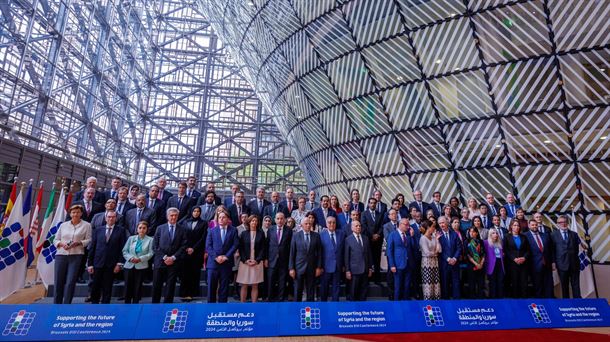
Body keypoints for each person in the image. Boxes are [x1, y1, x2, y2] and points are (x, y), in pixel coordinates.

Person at [53, 205, 92, 304]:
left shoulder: (87, 225)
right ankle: (56, 304)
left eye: (78, 212)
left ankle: (67, 304)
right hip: (61, 255)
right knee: (58, 281)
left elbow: (89, 239)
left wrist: (78, 243)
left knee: (71, 282)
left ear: (81, 214)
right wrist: (61, 244)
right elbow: (55, 239)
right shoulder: (63, 225)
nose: (75, 214)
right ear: (70, 214)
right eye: (73, 212)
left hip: (76, 255)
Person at [87, 210, 126, 304]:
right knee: (95, 286)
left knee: (107, 287)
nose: (111, 219)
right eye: (109, 217)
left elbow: (122, 248)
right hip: (97, 263)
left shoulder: (121, 230)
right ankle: (94, 305)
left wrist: (119, 264)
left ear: (116, 219)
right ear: (105, 218)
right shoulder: (98, 230)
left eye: (113, 217)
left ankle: (105, 306)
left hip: (111, 264)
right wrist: (90, 264)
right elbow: (92, 248)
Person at [152, 208, 187, 303]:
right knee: (157, 285)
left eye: (176, 215)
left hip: (174, 262)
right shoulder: (160, 228)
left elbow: (183, 246)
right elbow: (155, 246)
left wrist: (173, 257)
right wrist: (165, 257)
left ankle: (167, 306)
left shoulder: (182, 229)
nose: (174, 217)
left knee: (170, 286)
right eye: (171, 215)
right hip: (160, 261)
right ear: (167, 216)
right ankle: (154, 306)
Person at [206, 211, 239, 303]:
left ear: (228, 219)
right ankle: (210, 308)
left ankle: (222, 308)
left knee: (224, 288)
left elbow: (235, 244)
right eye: (219, 217)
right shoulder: (212, 230)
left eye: (223, 217)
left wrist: (226, 256)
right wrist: (216, 257)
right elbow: (208, 246)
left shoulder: (233, 230)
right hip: (213, 263)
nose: (221, 219)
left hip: (226, 263)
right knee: (211, 287)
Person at [551, 215, 586, 298]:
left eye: (565, 222)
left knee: (576, 285)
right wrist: (554, 263)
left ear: (567, 223)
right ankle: (567, 304)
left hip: (574, 263)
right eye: (560, 222)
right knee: (564, 286)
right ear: (557, 224)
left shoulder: (574, 234)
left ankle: (578, 303)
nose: (563, 224)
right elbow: (552, 250)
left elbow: (578, 249)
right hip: (561, 264)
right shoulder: (553, 235)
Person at [178, 206, 207, 301]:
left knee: (194, 274)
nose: (196, 213)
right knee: (184, 273)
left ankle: (191, 293)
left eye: (198, 211)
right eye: (194, 211)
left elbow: (203, 238)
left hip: (196, 252)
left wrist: (193, 248)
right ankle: (183, 293)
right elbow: (182, 236)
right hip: (185, 252)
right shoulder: (185, 222)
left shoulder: (203, 223)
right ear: (191, 212)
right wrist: (187, 248)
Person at [289, 219, 322, 301]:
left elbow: (319, 253)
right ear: (301, 225)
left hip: (312, 267)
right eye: (306, 224)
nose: (308, 225)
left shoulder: (316, 236)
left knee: (311, 290)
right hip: (299, 267)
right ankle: (297, 309)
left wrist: (318, 267)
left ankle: (310, 309)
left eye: (309, 223)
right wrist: (291, 268)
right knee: (298, 290)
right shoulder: (296, 235)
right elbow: (292, 252)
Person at [236, 215, 266, 303]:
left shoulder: (261, 233)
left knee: (255, 284)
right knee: (244, 284)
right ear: (249, 222)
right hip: (245, 262)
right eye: (252, 221)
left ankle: (254, 305)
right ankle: (242, 304)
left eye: (256, 221)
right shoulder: (244, 233)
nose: (254, 222)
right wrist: (245, 260)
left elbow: (263, 248)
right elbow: (240, 248)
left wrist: (257, 260)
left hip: (257, 262)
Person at [122, 221, 153, 303]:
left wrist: (140, 259)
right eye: (140, 228)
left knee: (138, 286)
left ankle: (136, 303)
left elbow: (151, 253)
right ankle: (127, 303)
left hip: (141, 265)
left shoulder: (150, 240)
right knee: (128, 286)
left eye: (144, 228)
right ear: (137, 229)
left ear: (147, 229)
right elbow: (125, 251)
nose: (142, 230)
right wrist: (131, 258)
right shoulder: (131, 238)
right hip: (129, 265)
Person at [386, 218, 417, 300]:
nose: (408, 227)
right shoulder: (393, 234)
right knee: (398, 286)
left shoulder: (408, 235)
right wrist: (392, 265)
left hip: (409, 264)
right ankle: (397, 305)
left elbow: (414, 248)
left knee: (407, 286)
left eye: (408, 225)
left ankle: (406, 304)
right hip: (398, 264)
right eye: (406, 225)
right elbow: (389, 251)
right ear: (400, 224)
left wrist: (412, 236)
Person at [344, 220, 373, 301]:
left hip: (365, 270)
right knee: (353, 291)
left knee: (364, 292)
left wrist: (370, 268)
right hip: (354, 270)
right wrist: (347, 270)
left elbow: (369, 254)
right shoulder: (348, 239)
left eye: (359, 226)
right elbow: (346, 256)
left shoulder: (366, 238)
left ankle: (362, 309)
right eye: (356, 226)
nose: (358, 227)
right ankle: (353, 309)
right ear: (352, 227)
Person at [266, 212, 293, 301]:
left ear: (285, 220)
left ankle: (281, 299)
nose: (280, 220)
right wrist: (266, 259)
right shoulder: (270, 229)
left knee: (282, 281)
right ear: (275, 220)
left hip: (284, 260)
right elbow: (267, 245)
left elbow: (290, 246)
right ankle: (270, 299)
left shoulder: (289, 230)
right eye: (278, 218)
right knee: (270, 281)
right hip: (272, 260)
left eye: (281, 219)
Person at [525, 219, 553, 298]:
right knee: (538, 287)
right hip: (534, 265)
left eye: (536, 225)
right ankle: (540, 303)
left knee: (549, 285)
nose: (534, 226)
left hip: (547, 264)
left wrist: (552, 262)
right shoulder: (525, 236)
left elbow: (550, 249)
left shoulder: (545, 235)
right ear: (529, 226)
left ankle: (550, 303)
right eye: (532, 225)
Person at [319, 216, 345, 302]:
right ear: (326, 224)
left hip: (338, 266)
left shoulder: (341, 234)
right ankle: (323, 305)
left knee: (336, 288)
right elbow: (319, 253)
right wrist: (320, 266)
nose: (332, 224)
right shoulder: (321, 235)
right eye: (329, 222)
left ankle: (335, 306)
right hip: (325, 267)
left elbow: (343, 250)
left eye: (333, 222)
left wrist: (344, 265)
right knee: (324, 288)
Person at [504, 220, 530, 298]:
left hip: (523, 263)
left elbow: (528, 250)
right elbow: (506, 250)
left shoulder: (524, 237)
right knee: (514, 283)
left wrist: (524, 258)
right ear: (511, 226)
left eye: (518, 225)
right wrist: (514, 259)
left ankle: (524, 301)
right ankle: (516, 301)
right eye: (514, 225)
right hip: (512, 264)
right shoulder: (506, 237)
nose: (516, 227)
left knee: (524, 283)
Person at [438, 216, 461, 299]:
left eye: (443, 223)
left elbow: (459, 247)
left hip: (455, 262)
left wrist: (454, 258)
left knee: (456, 282)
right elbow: (439, 250)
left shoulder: (454, 233)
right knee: (445, 282)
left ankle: (456, 301)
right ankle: (446, 300)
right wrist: (448, 259)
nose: (442, 225)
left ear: (447, 223)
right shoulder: (438, 235)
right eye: (440, 223)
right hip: (444, 263)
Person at [361, 197, 383, 282]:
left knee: (377, 259)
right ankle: (368, 278)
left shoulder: (379, 214)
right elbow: (364, 226)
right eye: (371, 203)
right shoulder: (364, 214)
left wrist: (377, 235)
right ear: (368, 204)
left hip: (378, 240)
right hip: (368, 240)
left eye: (374, 203)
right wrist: (372, 236)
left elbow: (381, 226)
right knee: (367, 259)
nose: (373, 204)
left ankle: (377, 279)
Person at [420, 220, 441, 300]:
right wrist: (435, 252)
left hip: (435, 262)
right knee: (428, 284)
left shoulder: (433, 237)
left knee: (435, 284)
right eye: (433, 227)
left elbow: (440, 250)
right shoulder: (423, 238)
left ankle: (436, 300)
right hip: (427, 263)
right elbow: (427, 252)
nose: (434, 228)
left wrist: (437, 240)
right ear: (428, 227)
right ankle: (428, 303)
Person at [465, 227, 486, 299]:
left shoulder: (481, 241)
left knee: (480, 283)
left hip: (481, 265)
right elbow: (467, 254)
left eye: (473, 231)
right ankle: (472, 298)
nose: (471, 233)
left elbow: (484, 253)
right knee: (472, 283)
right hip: (471, 265)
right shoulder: (467, 241)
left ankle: (480, 297)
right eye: (470, 231)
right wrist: (476, 264)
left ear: (477, 233)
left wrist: (481, 263)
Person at [484, 228, 505, 298]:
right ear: (490, 234)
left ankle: (500, 297)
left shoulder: (500, 243)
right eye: (493, 233)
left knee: (500, 281)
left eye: (496, 233)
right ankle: (493, 298)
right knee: (492, 282)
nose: (495, 234)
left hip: (500, 264)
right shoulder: (486, 243)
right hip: (491, 265)